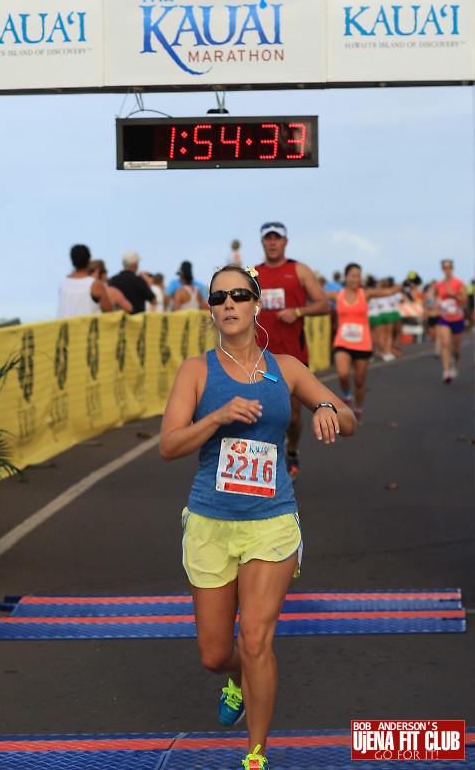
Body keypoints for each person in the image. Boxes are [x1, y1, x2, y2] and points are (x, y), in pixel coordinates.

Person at [160, 264, 356, 770]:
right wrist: (217, 416)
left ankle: (256, 755)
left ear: (256, 303)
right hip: (210, 520)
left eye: (238, 295)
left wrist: (328, 411)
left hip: (271, 520)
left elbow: (348, 416)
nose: (228, 304)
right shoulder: (196, 370)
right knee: (215, 652)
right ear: (210, 309)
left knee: (255, 640)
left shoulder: (285, 368)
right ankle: (237, 680)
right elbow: (168, 445)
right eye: (218, 297)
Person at [254, 222, 330, 481]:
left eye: (277, 238)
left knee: (293, 414)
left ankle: (293, 450)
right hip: (260, 356)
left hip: (293, 356)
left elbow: (323, 304)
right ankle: (264, 463)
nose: (273, 242)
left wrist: (298, 311)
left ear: (285, 242)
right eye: (268, 238)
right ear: (263, 242)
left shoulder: (299, 270)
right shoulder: (253, 274)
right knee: (259, 412)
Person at [326, 263, 405, 424]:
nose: (356, 279)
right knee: (342, 373)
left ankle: (358, 408)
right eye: (353, 275)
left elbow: (388, 291)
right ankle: (348, 394)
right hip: (342, 341)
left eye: (358, 276)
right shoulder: (337, 295)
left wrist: (405, 285)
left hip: (362, 343)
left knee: (360, 380)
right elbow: (317, 295)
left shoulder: (366, 294)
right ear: (345, 277)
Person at [57, 244, 112, 318]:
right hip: (87, 328)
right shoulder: (95, 285)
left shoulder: (63, 282)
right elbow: (109, 311)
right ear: (89, 261)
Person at [435, 259, 467, 383]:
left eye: (449, 267)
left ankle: (456, 362)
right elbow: (434, 299)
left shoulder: (459, 283)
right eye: (445, 267)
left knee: (456, 348)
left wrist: (454, 295)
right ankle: (446, 371)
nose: (447, 269)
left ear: (452, 268)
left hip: (458, 318)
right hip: (445, 318)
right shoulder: (439, 285)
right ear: (442, 269)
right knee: (446, 344)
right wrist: (436, 306)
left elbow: (464, 300)